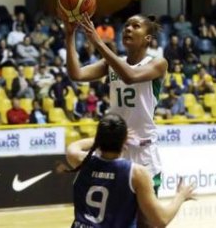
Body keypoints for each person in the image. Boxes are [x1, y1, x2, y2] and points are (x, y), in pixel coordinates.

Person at [64, 14, 167, 227]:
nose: (128, 28)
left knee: (147, 223)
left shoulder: (158, 63)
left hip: (143, 153)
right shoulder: (111, 63)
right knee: (114, 218)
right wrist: (69, 35)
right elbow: (76, 74)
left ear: (148, 38)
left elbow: (130, 76)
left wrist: (98, 42)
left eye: (136, 26)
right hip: (114, 149)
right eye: (126, 25)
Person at [67, 113, 195, 228]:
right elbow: (161, 220)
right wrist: (181, 195)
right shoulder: (136, 173)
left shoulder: (83, 161)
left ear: (99, 138)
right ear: (124, 141)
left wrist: (100, 139)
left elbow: (73, 147)